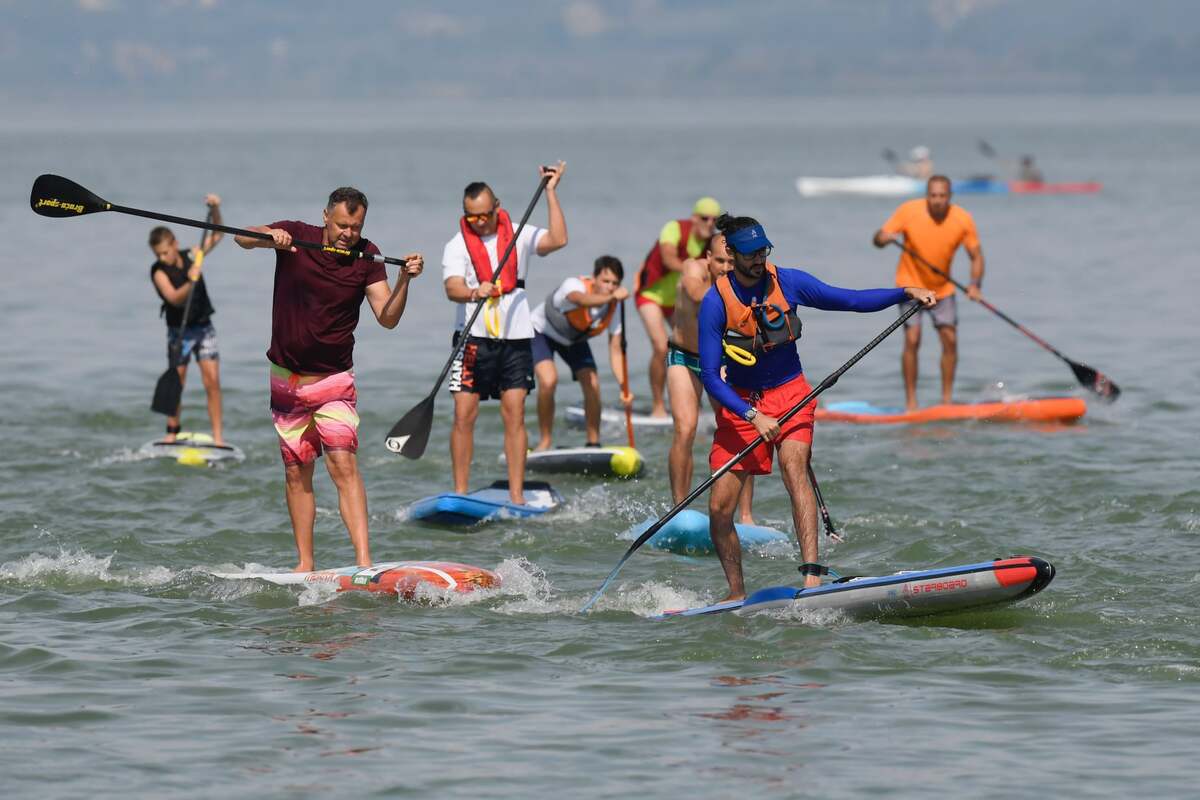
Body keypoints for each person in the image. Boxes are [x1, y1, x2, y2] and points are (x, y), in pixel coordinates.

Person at [699, 214, 935, 602]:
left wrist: (904, 291)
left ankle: (812, 578)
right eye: (750, 253)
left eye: (763, 250)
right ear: (730, 251)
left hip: (791, 393)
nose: (759, 259)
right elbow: (710, 376)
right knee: (720, 511)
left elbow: (851, 299)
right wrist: (752, 416)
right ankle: (735, 592)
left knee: (795, 469)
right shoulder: (715, 302)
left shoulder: (788, 281)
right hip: (743, 405)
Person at [235, 187, 424, 571]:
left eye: (355, 227)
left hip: (334, 380)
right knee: (296, 470)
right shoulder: (295, 237)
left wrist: (404, 280)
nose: (347, 234)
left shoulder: (367, 257)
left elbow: (387, 318)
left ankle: (365, 563)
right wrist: (267, 237)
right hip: (286, 379)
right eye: (341, 225)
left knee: (343, 465)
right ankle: (305, 564)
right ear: (325, 216)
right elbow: (242, 238)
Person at [442, 163, 568, 505]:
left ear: (496, 206)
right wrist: (473, 291)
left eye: (484, 215)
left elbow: (558, 239)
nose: (479, 222)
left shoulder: (520, 233)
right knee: (463, 416)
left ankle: (516, 495)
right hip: (472, 338)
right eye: (472, 217)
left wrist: (551, 192)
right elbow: (452, 286)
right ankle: (461, 492)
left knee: (514, 414)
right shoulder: (457, 244)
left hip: (515, 340)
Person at [872, 175, 985, 410]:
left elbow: (976, 256)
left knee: (950, 340)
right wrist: (883, 238)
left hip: (943, 289)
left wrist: (975, 284)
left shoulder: (963, 219)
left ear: (950, 196)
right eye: (933, 195)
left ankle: (946, 401)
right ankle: (911, 404)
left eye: (942, 196)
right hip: (911, 287)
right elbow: (878, 239)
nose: (937, 200)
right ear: (927, 195)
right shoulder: (908, 210)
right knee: (913, 339)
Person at [666, 231, 755, 523]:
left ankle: (745, 515)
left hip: (719, 361)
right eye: (720, 261)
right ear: (707, 258)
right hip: (683, 356)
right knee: (686, 428)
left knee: (740, 427)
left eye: (732, 261)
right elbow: (696, 294)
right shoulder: (694, 270)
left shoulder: (741, 280)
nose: (726, 267)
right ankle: (678, 509)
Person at [529, 255, 632, 450]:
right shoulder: (573, 285)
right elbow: (581, 300)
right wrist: (612, 297)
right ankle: (545, 441)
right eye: (606, 281)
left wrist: (623, 387)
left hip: (572, 340)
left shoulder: (614, 307)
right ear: (594, 278)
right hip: (541, 332)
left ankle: (593, 442)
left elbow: (616, 350)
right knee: (549, 380)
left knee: (592, 383)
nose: (610, 287)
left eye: (615, 283)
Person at [634, 197, 721, 419]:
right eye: (704, 218)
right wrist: (693, 267)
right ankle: (657, 406)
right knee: (661, 346)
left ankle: (693, 402)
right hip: (651, 296)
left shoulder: (713, 245)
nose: (710, 223)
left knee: (696, 344)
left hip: (679, 304)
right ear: (694, 218)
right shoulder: (674, 228)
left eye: (715, 220)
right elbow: (668, 258)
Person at [148, 194, 225, 444]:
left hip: (203, 328)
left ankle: (218, 438)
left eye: (165, 252)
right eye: (158, 254)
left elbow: (218, 234)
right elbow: (174, 299)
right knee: (177, 381)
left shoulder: (193, 255)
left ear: (174, 243)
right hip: (178, 332)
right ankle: (172, 433)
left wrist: (215, 209)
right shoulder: (158, 271)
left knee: (212, 382)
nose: (162, 257)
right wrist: (191, 281)